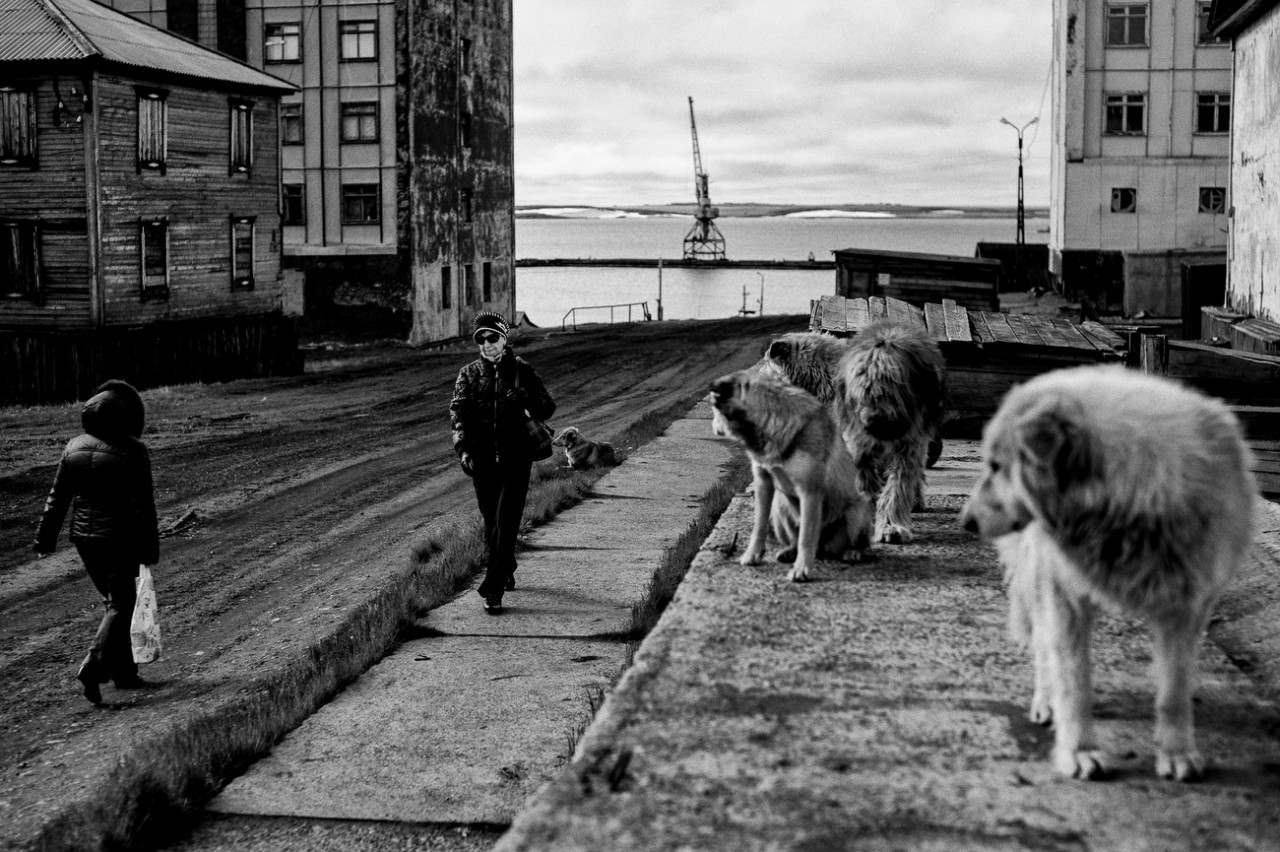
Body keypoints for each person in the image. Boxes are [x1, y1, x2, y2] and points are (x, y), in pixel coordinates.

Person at [34, 379, 160, 705]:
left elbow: (57, 498)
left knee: (115, 601)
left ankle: (125, 674)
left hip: (84, 540)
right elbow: (143, 506)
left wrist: (44, 539)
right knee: (122, 603)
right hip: (120, 539)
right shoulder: (133, 450)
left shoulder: (72, 447)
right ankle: (93, 666)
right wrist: (150, 549)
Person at [449, 312, 556, 614]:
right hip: (482, 460)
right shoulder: (467, 374)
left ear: (504, 339)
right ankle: (505, 563)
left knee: (507, 522)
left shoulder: (523, 370)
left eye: (492, 337)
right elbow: (458, 417)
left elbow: (547, 408)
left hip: (516, 458)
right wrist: (464, 451)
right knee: (492, 523)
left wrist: (526, 399)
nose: (486, 344)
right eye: (480, 339)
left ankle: (492, 589)